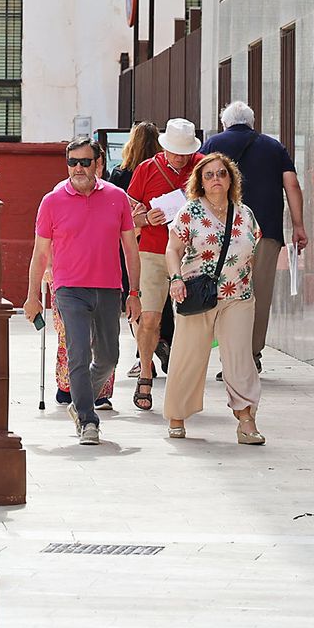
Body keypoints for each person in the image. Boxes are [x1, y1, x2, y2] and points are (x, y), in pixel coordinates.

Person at [22, 136, 142, 445]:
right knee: (77, 352)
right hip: (69, 289)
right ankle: (89, 421)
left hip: (108, 288)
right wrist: (32, 296)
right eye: (72, 162)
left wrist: (135, 293)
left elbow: (130, 249)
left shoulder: (117, 198)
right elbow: (40, 253)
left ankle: (79, 401)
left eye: (85, 162)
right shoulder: (51, 201)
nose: (78, 168)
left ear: (99, 164)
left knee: (109, 357)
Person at [163, 153, 265, 444]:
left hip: (238, 297)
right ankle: (177, 416)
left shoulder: (245, 214)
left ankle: (246, 420)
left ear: (231, 178)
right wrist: (176, 278)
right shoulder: (190, 212)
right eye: (209, 175)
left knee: (239, 358)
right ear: (200, 181)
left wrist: (243, 280)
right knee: (188, 356)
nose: (216, 179)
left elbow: (253, 249)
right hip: (197, 294)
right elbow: (172, 250)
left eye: (221, 173)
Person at [201, 101, 308, 372]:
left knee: (227, 293)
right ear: (252, 122)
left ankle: (230, 356)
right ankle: (251, 355)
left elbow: (195, 184)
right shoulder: (274, 147)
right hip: (266, 232)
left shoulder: (212, 145)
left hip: (222, 233)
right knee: (258, 293)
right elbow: (292, 185)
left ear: (225, 123)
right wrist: (298, 225)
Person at [124, 117, 202, 412]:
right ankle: (145, 372)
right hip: (154, 253)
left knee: (190, 323)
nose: (180, 158)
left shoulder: (204, 166)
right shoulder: (146, 169)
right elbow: (127, 219)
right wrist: (145, 219)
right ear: (164, 147)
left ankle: (183, 381)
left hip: (193, 256)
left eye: (185, 153)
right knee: (150, 319)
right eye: (174, 152)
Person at [107, 122, 171, 381]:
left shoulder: (121, 174)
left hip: (131, 245)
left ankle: (143, 357)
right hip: (161, 244)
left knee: (137, 301)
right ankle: (164, 341)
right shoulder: (158, 169)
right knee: (162, 305)